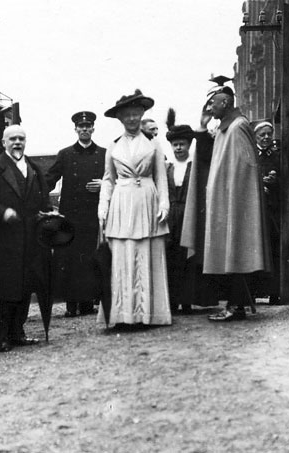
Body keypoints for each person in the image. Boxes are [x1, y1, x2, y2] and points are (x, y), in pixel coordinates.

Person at [181, 85, 271, 322]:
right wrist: (202, 127)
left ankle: (236, 306)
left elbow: (244, 169)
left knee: (236, 253)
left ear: (225, 102)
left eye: (213, 103)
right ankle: (234, 305)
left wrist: (234, 202)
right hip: (224, 203)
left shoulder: (238, 126)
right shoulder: (225, 128)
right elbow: (210, 158)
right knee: (228, 254)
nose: (209, 107)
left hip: (235, 205)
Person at [0, 125, 53, 352]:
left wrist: (48, 213)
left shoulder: (34, 168)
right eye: (12, 139)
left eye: (21, 138)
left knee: (25, 285)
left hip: (30, 238)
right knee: (6, 288)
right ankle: (3, 337)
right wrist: (2, 213)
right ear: (3, 142)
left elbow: (44, 199)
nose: (17, 142)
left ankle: (18, 333)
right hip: (4, 239)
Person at [97, 89, 172, 327]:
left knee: (148, 254)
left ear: (142, 114)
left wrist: (164, 203)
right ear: (120, 118)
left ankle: (150, 314)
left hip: (147, 199)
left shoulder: (153, 144)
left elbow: (161, 177)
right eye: (127, 115)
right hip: (122, 202)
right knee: (123, 255)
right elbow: (108, 179)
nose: (131, 118)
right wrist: (103, 206)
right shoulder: (113, 146)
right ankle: (123, 315)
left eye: (135, 114)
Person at [45, 111, 106, 317]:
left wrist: (103, 185)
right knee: (70, 259)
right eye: (81, 126)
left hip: (93, 214)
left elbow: (114, 179)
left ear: (93, 129)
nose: (85, 129)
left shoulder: (103, 154)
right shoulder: (65, 154)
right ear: (76, 129)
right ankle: (72, 305)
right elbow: (50, 178)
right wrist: (35, 193)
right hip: (71, 215)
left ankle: (88, 303)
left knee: (90, 257)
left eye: (88, 126)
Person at [164, 109, 195, 314]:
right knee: (170, 256)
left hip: (188, 214)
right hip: (171, 215)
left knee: (187, 257)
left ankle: (187, 301)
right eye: (175, 145)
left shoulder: (194, 166)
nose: (178, 148)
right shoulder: (167, 167)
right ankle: (172, 301)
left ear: (188, 145)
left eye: (182, 144)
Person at [253, 120, 281, 304]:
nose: (265, 138)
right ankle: (253, 292)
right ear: (255, 137)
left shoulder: (277, 155)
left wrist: (274, 182)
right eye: (262, 135)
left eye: (268, 134)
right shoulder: (251, 154)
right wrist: (258, 185)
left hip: (271, 208)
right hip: (254, 208)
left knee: (272, 248)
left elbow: (285, 178)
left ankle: (273, 292)